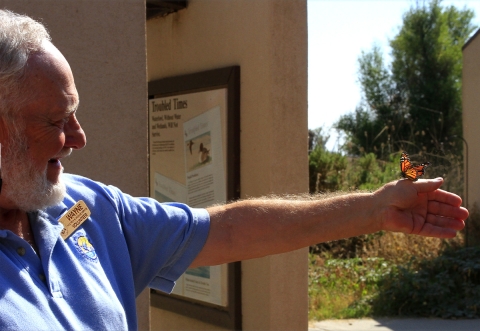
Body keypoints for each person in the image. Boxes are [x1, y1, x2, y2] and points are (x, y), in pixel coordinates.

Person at [0, 9, 468, 331]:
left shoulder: (88, 208)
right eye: (57, 122)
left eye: (75, 114)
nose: (80, 138)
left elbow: (226, 231)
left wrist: (374, 208)